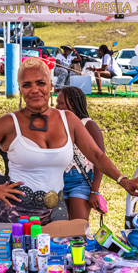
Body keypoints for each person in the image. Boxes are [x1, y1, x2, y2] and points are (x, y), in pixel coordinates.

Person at [0, 58, 138, 225]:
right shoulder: (9, 123)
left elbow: (97, 156)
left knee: (61, 255)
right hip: (15, 216)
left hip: (56, 212)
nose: (34, 90)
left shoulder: (69, 120)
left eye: (40, 83)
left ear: (50, 85)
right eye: (27, 85)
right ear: (20, 89)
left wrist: (123, 180)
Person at [56, 86, 106, 221]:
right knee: (61, 226)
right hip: (58, 180)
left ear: (72, 103)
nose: (56, 107)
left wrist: (94, 191)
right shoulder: (56, 124)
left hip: (79, 180)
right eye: (57, 103)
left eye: (61, 103)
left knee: (78, 226)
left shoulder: (88, 125)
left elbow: (100, 159)